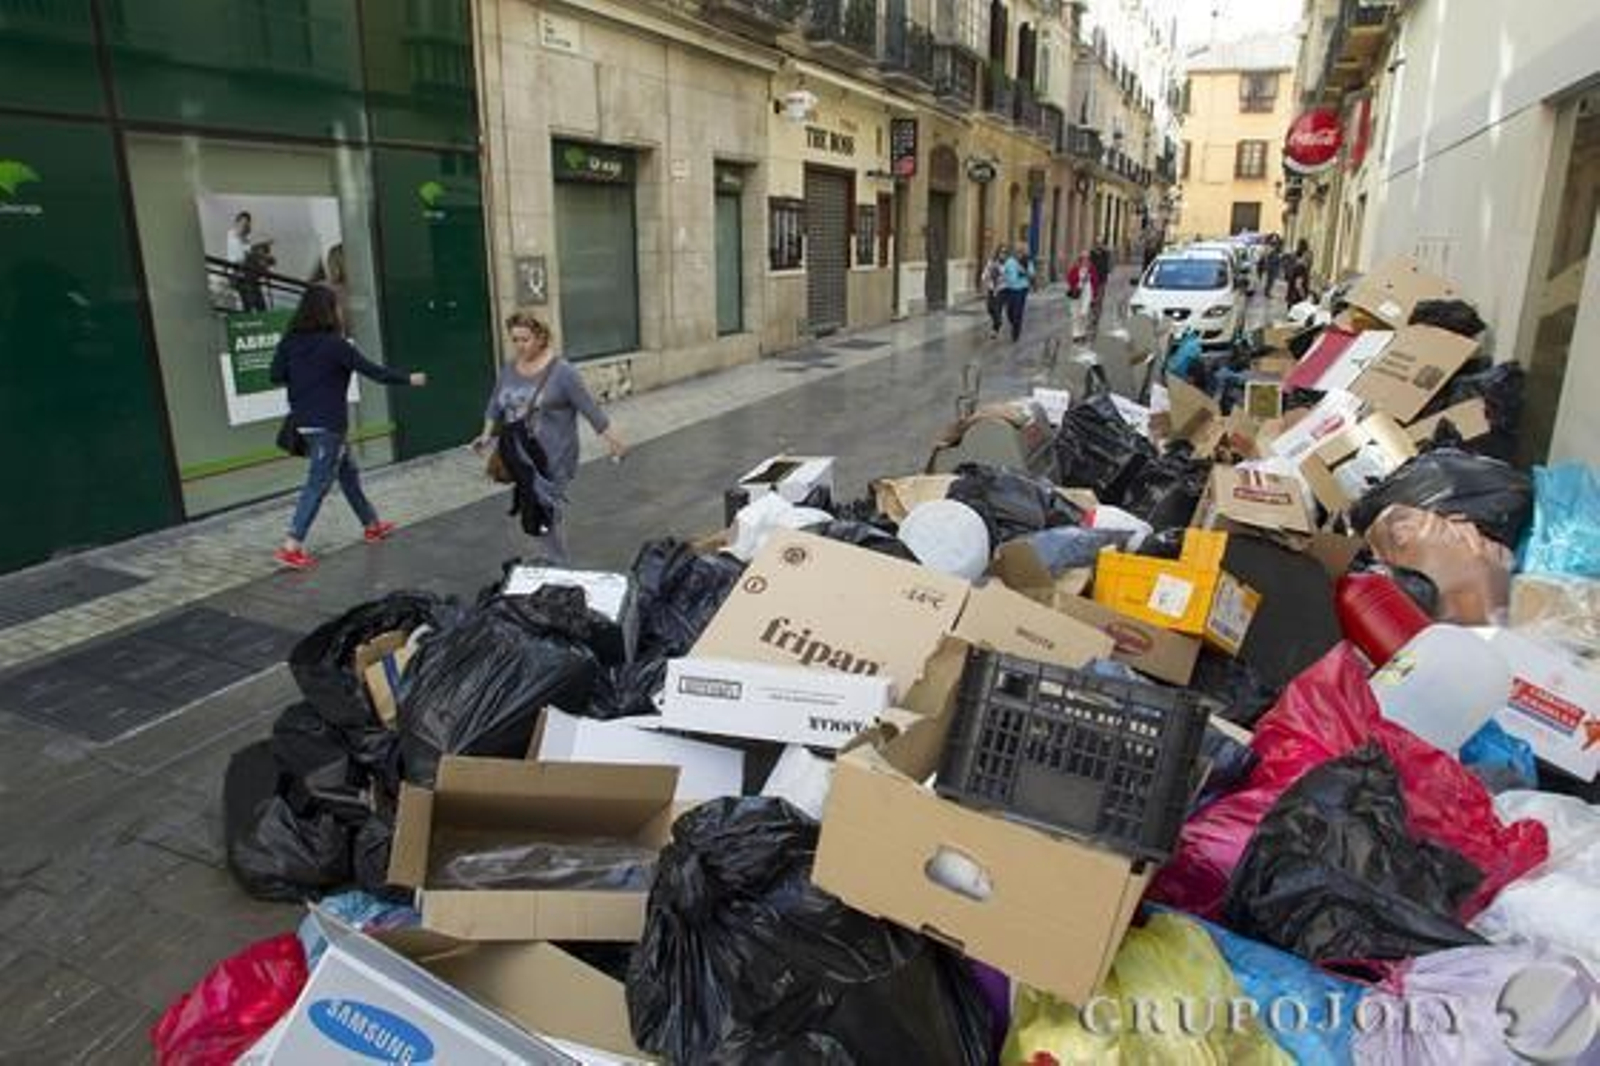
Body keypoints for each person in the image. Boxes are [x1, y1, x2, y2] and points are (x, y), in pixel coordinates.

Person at [270, 285, 427, 570]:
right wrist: (409, 379)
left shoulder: (290, 342)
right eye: (337, 306)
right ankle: (291, 545)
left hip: (302, 422)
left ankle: (372, 525)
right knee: (317, 484)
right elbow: (374, 372)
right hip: (327, 425)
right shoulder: (335, 345)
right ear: (329, 311)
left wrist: (304, 377)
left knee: (348, 475)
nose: (341, 311)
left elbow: (275, 375)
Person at [474, 312, 626, 563]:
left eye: (525, 339)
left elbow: (589, 409)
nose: (519, 346)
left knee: (544, 509)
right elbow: (495, 404)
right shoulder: (509, 369)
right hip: (521, 456)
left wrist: (612, 439)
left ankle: (559, 565)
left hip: (554, 456)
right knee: (534, 509)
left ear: (541, 337)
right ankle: (552, 560)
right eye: (515, 340)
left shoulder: (563, 372)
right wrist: (485, 434)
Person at [1000, 243, 1034, 343]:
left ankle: (1016, 331)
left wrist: (1024, 272)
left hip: (1022, 289)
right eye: (1018, 250)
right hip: (1009, 288)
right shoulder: (1009, 261)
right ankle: (1014, 323)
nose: (1019, 252)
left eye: (1021, 250)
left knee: (1018, 310)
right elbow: (1003, 271)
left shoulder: (1027, 261)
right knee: (1009, 311)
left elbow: (1032, 274)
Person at [1066, 250, 1101, 342]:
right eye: (1083, 258)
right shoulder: (1075, 268)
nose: (1085, 260)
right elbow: (1069, 279)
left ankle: (1082, 331)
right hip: (1076, 293)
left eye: (1087, 258)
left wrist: (1094, 295)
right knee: (1075, 314)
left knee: (1084, 313)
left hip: (1087, 293)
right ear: (1080, 259)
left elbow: (1095, 282)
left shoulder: (1092, 269)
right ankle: (1076, 334)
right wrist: (1077, 283)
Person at [980, 246, 1007, 339]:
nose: (1002, 254)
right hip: (991, 289)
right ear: (998, 253)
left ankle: (995, 329)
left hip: (1002, 290)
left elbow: (1010, 276)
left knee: (997, 309)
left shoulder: (1007, 265)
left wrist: (1003, 278)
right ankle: (998, 321)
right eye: (1001, 252)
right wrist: (985, 278)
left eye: (1004, 252)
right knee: (989, 308)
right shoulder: (991, 263)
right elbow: (985, 274)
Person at [1285, 239, 1313, 306]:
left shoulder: (1297, 263)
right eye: (1308, 259)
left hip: (1292, 294)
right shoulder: (1301, 268)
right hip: (1297, 297)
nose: (1310, 261)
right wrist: (1304, 297)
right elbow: (1298, 284)